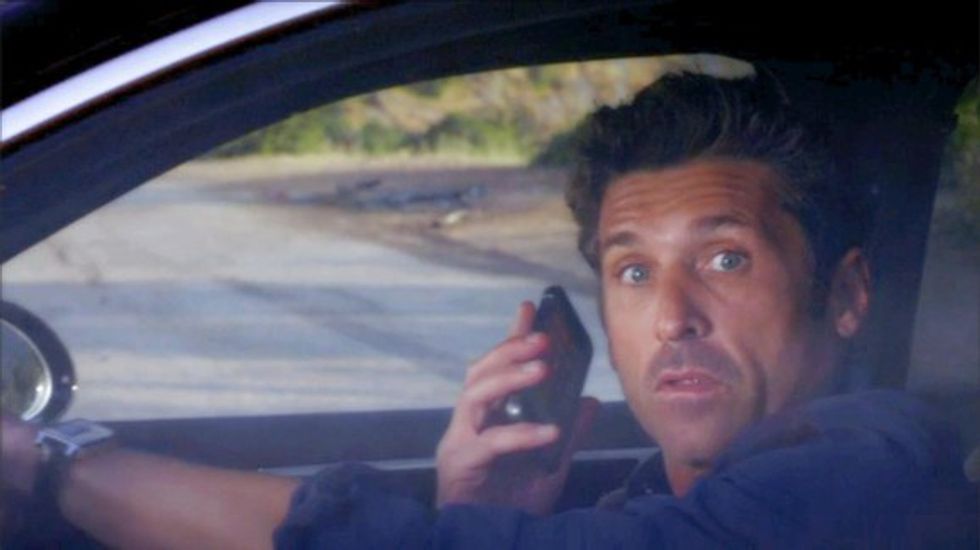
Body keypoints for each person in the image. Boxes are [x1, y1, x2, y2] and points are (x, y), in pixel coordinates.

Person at [2, 70, 976, 549]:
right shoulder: (664, 496)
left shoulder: (869, 480)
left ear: (844, 294)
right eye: (632, 272)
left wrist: (55, 462)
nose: (671, 315)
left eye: (725, 259)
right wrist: (483, 514)